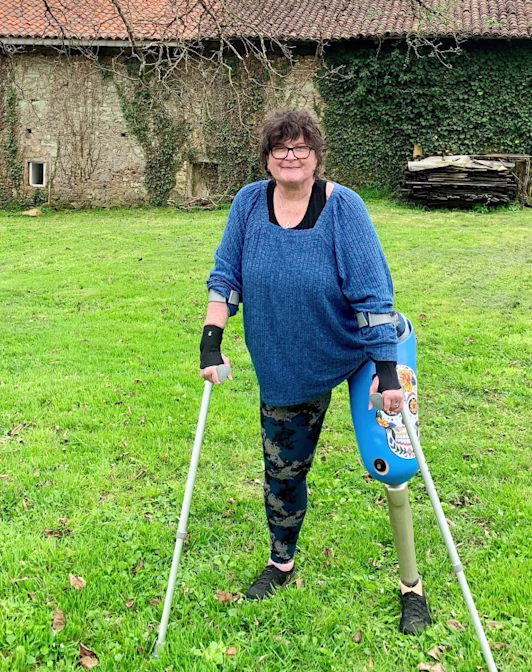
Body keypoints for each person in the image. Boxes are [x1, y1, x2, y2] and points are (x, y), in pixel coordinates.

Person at [198, 109, 431, 634]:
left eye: (301, 147)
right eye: (280, 148)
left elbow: (373, 293)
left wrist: (387, 373)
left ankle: (411, 586)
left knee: (391, 463)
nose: (291, 157)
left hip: (364, 349)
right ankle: (281, 563)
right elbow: (225, 277)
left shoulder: (344, 207)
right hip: (289, 361)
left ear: (317, 156)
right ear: (267, 158)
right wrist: (211, 343)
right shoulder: (247, 204)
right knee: (283, 471)